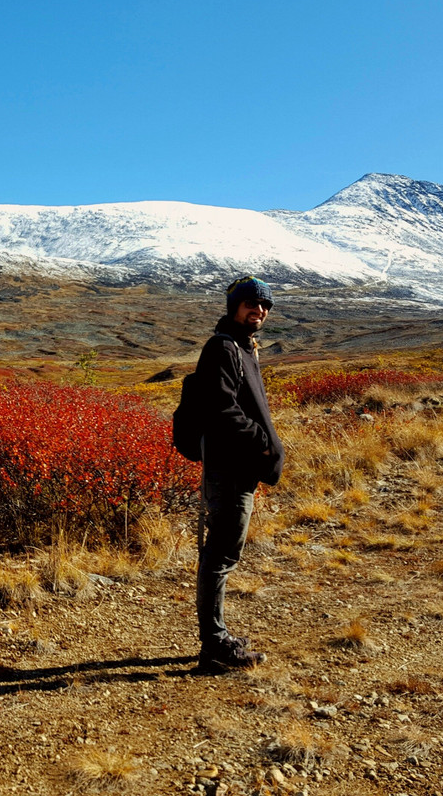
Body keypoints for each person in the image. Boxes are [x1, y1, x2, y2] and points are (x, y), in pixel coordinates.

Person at [194, 276, 284, 672]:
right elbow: (222, 410)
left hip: (237, 466)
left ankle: (218, 637)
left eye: (265, 306)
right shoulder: (222, 348)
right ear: (234, 306)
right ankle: (214, 646)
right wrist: (262, 443)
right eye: (251, 303)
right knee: (221, 555)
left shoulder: (242, 346)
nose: (259, 311)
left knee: (224, 553)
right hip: (229, 467)